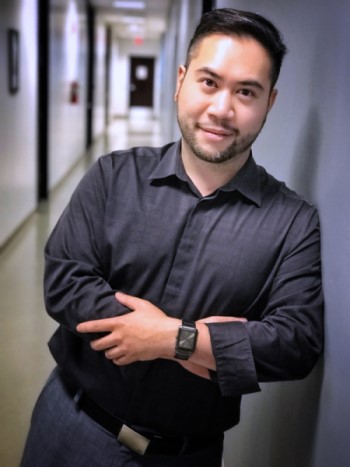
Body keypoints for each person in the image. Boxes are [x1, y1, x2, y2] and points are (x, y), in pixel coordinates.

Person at [21, 8, 323, 467]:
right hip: (71, 427)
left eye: (246, 92)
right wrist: (209, 344)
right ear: (181, 80)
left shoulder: (293, 224)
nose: (222, 108)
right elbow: (65, 280)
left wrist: (171, 338)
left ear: (269, 103)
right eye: (209, 82)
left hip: (187, 456)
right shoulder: (113, 176)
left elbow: (295, 343)